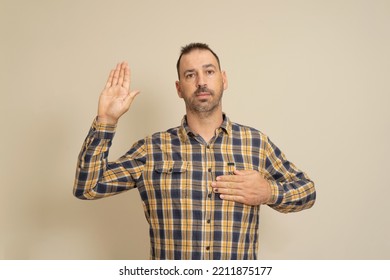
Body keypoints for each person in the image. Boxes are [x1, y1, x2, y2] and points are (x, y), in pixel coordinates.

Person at [73, 42, 316, 260]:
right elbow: (88, 186)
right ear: (179, 88)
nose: (201, 81)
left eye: (209, 72)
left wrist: (268, 192)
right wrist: (106, 120)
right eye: (191, 75)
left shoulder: (256, 143)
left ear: (224, 79)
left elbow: (307, 191)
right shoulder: (152, 149)